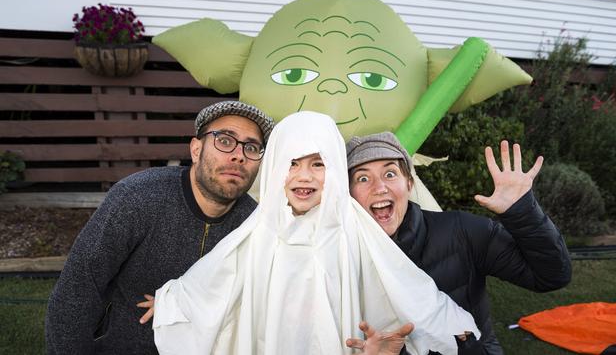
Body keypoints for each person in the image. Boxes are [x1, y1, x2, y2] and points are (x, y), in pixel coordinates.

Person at [143, 111, 480, 355]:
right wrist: (177, 301)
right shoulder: (263, 228)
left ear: (333, 169)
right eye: (292, 163)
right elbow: (222, 270)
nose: (303, 176)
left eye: (317, 164)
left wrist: (439, 318)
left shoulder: (350, 227)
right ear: (276, 168)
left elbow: (396, 276)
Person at [45, 100, 275, 354]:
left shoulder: (253, 223)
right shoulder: (138, 198)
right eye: (224, 140)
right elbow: (78, 287)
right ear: (196, 150)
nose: (238, 155)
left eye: (252, 147)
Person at [345, 132, 572, 355]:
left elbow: (551, 276)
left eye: (390, 174)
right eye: (363, 178)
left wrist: (522, 211)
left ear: (409, 184)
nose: (379, 187)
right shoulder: (342, 257)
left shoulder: (462, 231)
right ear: (349, 194)